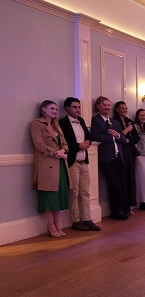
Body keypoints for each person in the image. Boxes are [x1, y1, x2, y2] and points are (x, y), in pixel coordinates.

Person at [59, 97, 101, 231]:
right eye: (75, 107)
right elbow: (63, 143)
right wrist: (78, 146)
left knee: (85, 192)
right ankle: (76, 221)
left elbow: (89, 135)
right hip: (72, 162)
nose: (78, 109)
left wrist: (87, 142)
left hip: (84, 161)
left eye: (79, 107)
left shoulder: (81, 120)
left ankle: (87, 219)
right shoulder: (62, 123)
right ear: (67, 108)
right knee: (74, 192)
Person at [30, 100, 70, 237]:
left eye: (56, 109)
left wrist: (63, 151)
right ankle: (50, 225)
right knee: (49, 197)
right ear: (43, 109)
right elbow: (39, 144)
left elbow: (65, 143)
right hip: (47, 165)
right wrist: (55, 152)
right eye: (52, 108)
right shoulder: (37, 124)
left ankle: (58, 225)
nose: (55, 111)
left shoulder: (56, 125)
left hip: (60, 164)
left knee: (58, 196)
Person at [90, 96, 129, 220]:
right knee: (115, 185)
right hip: (106, 159)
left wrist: (117, 135)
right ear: (98, 106)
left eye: (108, 105)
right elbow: (95, 136)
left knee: (121, 185)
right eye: (104, 105)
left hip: (118, 158)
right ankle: (116, 210)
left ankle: (120, 209)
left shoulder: (114, 122)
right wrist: (112, 137)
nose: (107, 107)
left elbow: (123, 139)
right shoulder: (96, 120)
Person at [112, 101, 140, 214]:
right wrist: (126, 131)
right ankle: (123, 207)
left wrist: (127, 140)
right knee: (122, 179)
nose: (125, 110)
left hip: (129, 151)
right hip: (120, 151)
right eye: (122, 108)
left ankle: (129, 205)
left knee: (130, 178)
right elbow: (116, 137)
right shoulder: (114, 121)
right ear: (117, 109)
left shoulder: (129, 121)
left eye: (126, 108)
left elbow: (136, 137)